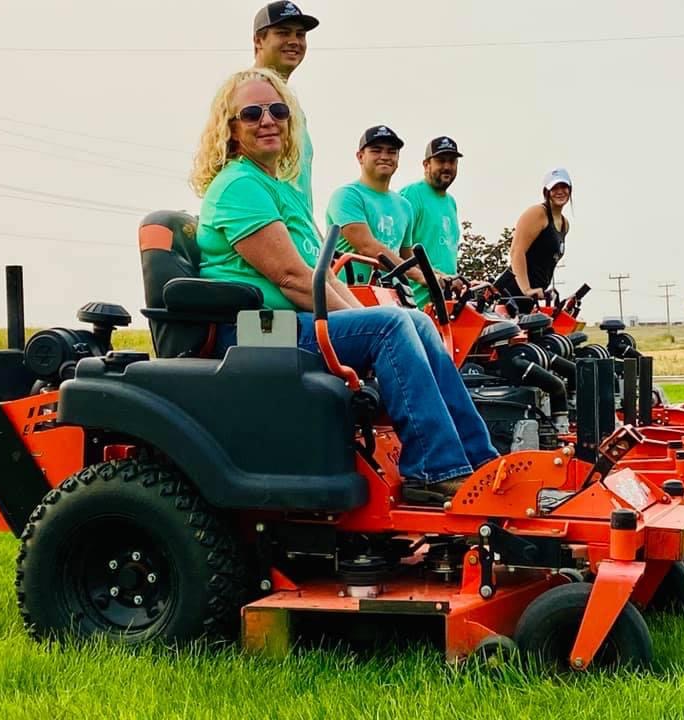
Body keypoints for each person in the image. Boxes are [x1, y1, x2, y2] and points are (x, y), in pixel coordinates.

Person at [189, 68, 498, 503]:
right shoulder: (239, 185)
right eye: (252, 113)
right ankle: (433, 469)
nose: (268, 120)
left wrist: (371, 320)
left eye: (277, 110)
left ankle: (480, 461)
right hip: (257, 331)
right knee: (392, 325)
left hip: (288, 324)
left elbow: (324, 273)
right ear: (231, 128)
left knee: (414, 321)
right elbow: (292, 278)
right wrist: (374, 327)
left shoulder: (280, 188)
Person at [325, 126, 428, 287]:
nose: (385, 157)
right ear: (360, 157)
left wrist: (439, 276)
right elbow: (366, 247)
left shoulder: (404, 206)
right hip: (349, 292)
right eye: (376, 150)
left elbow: (406, 258)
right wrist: (419, 276)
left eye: (391, 152)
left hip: (389, 294)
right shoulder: (347, 195)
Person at [252, 1, 318, 210]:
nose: (294, 41)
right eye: (283, 33)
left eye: (300, 35)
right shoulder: (247, 97)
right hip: (267, 221)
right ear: (258, 40)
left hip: (295, 224)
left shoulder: (290, 104)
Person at [400, 136, 463, 309]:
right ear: (426, 164)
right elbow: (397, 250)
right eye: (441, 161)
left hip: (443, 301)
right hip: (415, 301)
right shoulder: (411, 195)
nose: (447, 167)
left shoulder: (451, 202)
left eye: (452, 161)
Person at [495, 168, 572, 307]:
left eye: (563, 186)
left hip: (531, 296)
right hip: (512, 292)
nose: (560, 191)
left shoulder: (564, 224)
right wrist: (526, 289)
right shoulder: (538, 213)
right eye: (554, 188)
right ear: (546, 192)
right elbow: (517, 251)